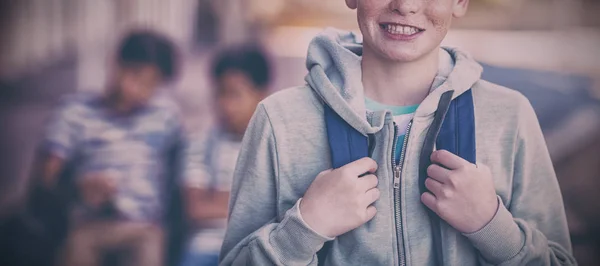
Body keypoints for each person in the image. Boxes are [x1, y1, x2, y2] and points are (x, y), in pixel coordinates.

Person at [219, 0, 577, 265]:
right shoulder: (279, 120)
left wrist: (492, 226)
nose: (405, 6)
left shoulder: (509, 117)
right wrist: (305, 227)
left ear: (461, 2)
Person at [34, 29, 181, 266]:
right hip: (87, 225)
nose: (139, 90)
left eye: (151, 84)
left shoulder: (166, 117)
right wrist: (77, 188)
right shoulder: (75, 111)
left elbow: (179, 175)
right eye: (134, 76)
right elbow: (45, 179)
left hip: (144, 228)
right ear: (115, 63)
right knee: (76, 250)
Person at [180, 45, 270, 266]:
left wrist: (219, 199)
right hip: (205, 249)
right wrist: (256, 202)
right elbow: (196, 208)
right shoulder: (201, 143)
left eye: (235, 95)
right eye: (220, 93)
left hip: (258, 250)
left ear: (262, 94)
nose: (225, 105)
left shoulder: (274, 145)